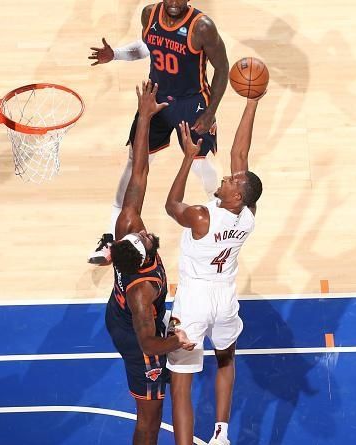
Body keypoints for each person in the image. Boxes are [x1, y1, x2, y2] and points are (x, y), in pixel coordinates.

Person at [87, 0, 229, 265]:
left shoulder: (202, 27)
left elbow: (222, 69)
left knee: (201, 165)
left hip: (192, 103)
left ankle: (224, 218)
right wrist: (115, 54)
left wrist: (210, 112)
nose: (174, 2)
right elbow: (147, 46)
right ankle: (111, 236)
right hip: (156, 98)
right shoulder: (149, 14)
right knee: (136, 163)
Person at [164, 92, 265, 445]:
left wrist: (188, 157)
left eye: (232, 182)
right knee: (225, 359)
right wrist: (252, 101)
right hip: (224, 299)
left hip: (194, 299)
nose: (227, 179)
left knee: (180, 384)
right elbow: (240, 154)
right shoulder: (248, 217)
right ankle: (221, 434)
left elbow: (171, 205)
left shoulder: (202, 217)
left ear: (237, 197)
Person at [105, 79, 196, 445]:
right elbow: (148, 343)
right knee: (150, 417)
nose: (146, 233)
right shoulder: (143, 291)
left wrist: (144, 117)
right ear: (142, 260)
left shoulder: (127, 223)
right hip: (137, 334)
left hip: (120, 311)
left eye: (141, 236)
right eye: (145, 241)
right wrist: (175, 341)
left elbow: (140, 171)